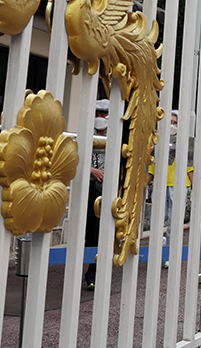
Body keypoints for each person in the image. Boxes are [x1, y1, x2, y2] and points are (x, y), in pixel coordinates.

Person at [147, 111, 194, 266]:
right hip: (160, 184)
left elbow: (190, 167)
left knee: (174, 223)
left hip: (178, 185)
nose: (173, 125)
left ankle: (170, 255)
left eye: (176, 123)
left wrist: (195, 188)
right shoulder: (159, 142)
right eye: (171, 122)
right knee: (157, 220)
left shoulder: (184, 144)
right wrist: (146, 183)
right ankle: (157, 251)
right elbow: (153, 166)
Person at [84, 99, 110, 290]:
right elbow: (77, 157)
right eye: (98, 114)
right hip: (89, 189)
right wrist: (92, 170)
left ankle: (96, 273)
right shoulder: (86, 134)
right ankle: (87, 271)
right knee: (88, 232)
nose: (100, 118)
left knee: (102, 233)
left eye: (104, 114)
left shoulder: (117, 136)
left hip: (108, 190)